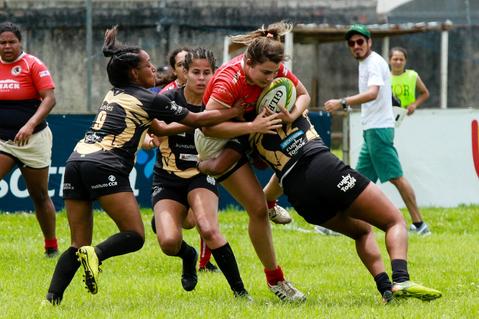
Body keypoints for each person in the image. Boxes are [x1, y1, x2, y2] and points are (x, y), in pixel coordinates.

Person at [44, 26, 244, 305]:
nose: (154, 68)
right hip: (105, 164)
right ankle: (97, 255)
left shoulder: (113, 94)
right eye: (148, 64)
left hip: (75, 160)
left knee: (78, 242)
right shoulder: (150, 98)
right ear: (135, 74)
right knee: (134, 236)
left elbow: (160, 127)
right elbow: (196, 121)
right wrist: (237, 112)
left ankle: (50, 300)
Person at [230, 106, 442, 302]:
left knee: (362, 232)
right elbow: (303, 93)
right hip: (325, 169)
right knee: (394, 221)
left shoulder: (249, 131)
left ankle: (386, 289)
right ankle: (401, 279)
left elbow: (279, 177)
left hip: (299, 194)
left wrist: (268, 201)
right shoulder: (289, 98)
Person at [196, 21, 310, 302]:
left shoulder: (275, 68)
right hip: (218, 140)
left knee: (299, 154)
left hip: (250, 124)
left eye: (275, 73)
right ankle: (276, 281)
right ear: (248, 62)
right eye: (265, 74)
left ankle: (271, 198)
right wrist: (252, 129)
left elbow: (305, 96)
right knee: (256, 209)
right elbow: (208, 128)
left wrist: (291, 115)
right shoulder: (228, 81)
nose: (271, 80)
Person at [143, 47, 251, 297]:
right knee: (170, 242)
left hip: (202, 173)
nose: (201, 78)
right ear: (184, 73)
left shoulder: (222, 99)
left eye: (207, 72)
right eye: (195, 72)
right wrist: (152, 137)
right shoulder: (167, 98)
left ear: (215, 73)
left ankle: (240, 292)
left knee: (208, 228)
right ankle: (189, 255)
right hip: (167, 176)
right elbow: (155, 129)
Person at [324, 24, 431, 236]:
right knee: (355, 180)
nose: (356, 46)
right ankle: (340, 222)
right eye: (352, 43)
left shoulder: (373, 63)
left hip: (379, 130)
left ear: (369, 42)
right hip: (373, 129)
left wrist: (342, 102)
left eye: (360, 42)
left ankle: (419, 225)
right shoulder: (367, 63)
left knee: (395, 177)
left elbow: (373, 93)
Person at [0, 21, 59, 257]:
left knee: (40, 195)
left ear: (20, 42)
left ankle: (51, 246)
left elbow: (49, 99)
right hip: (3, 141)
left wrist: (29, 125)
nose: (7, 46)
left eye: (11, 42)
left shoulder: (32, 64)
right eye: (2, 42)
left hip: (33, 140)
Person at [389, 46, 430, 116]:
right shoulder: (383, 77)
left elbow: (425, 93)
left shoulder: (412, 75)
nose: (398, 62)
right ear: (389, 60)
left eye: (401, 59)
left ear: (405, 61)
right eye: (395, 59)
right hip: (389, 116)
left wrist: (414, 105)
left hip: (409, 115)